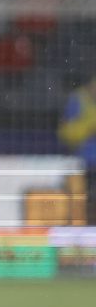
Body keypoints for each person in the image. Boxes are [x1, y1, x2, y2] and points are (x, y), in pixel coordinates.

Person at [58, 76, 96, 225]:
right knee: (85, 199)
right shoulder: (77, 100)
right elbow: (66, 133)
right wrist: (89, 127)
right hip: (85, 162)